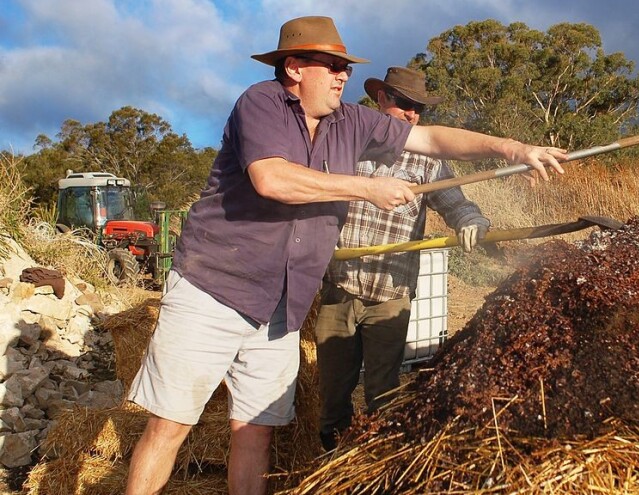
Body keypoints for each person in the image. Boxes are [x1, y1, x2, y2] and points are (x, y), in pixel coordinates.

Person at [124, 15, 566, 495]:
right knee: (170, 425)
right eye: (333, 66)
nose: (343, 76)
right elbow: (272, 179)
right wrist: (366, 188)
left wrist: (510, 147)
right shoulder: (261, 103)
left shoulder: (352, 122)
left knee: (255, 433)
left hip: (281, 306)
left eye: (346, 68)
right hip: (215, 289)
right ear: (294, 68)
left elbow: (434, 139)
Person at [315, 67, 490, 451]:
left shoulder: (429, 162)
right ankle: (329, 460)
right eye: (404, 105)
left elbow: (456, 202)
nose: (411, 115)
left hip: (391, 294)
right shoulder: (349, 143)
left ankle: (375, 461)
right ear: (381, 100)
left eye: (418, 109)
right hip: (340, 290)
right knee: (333, 390)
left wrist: (471, 220)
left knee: (383, 392)